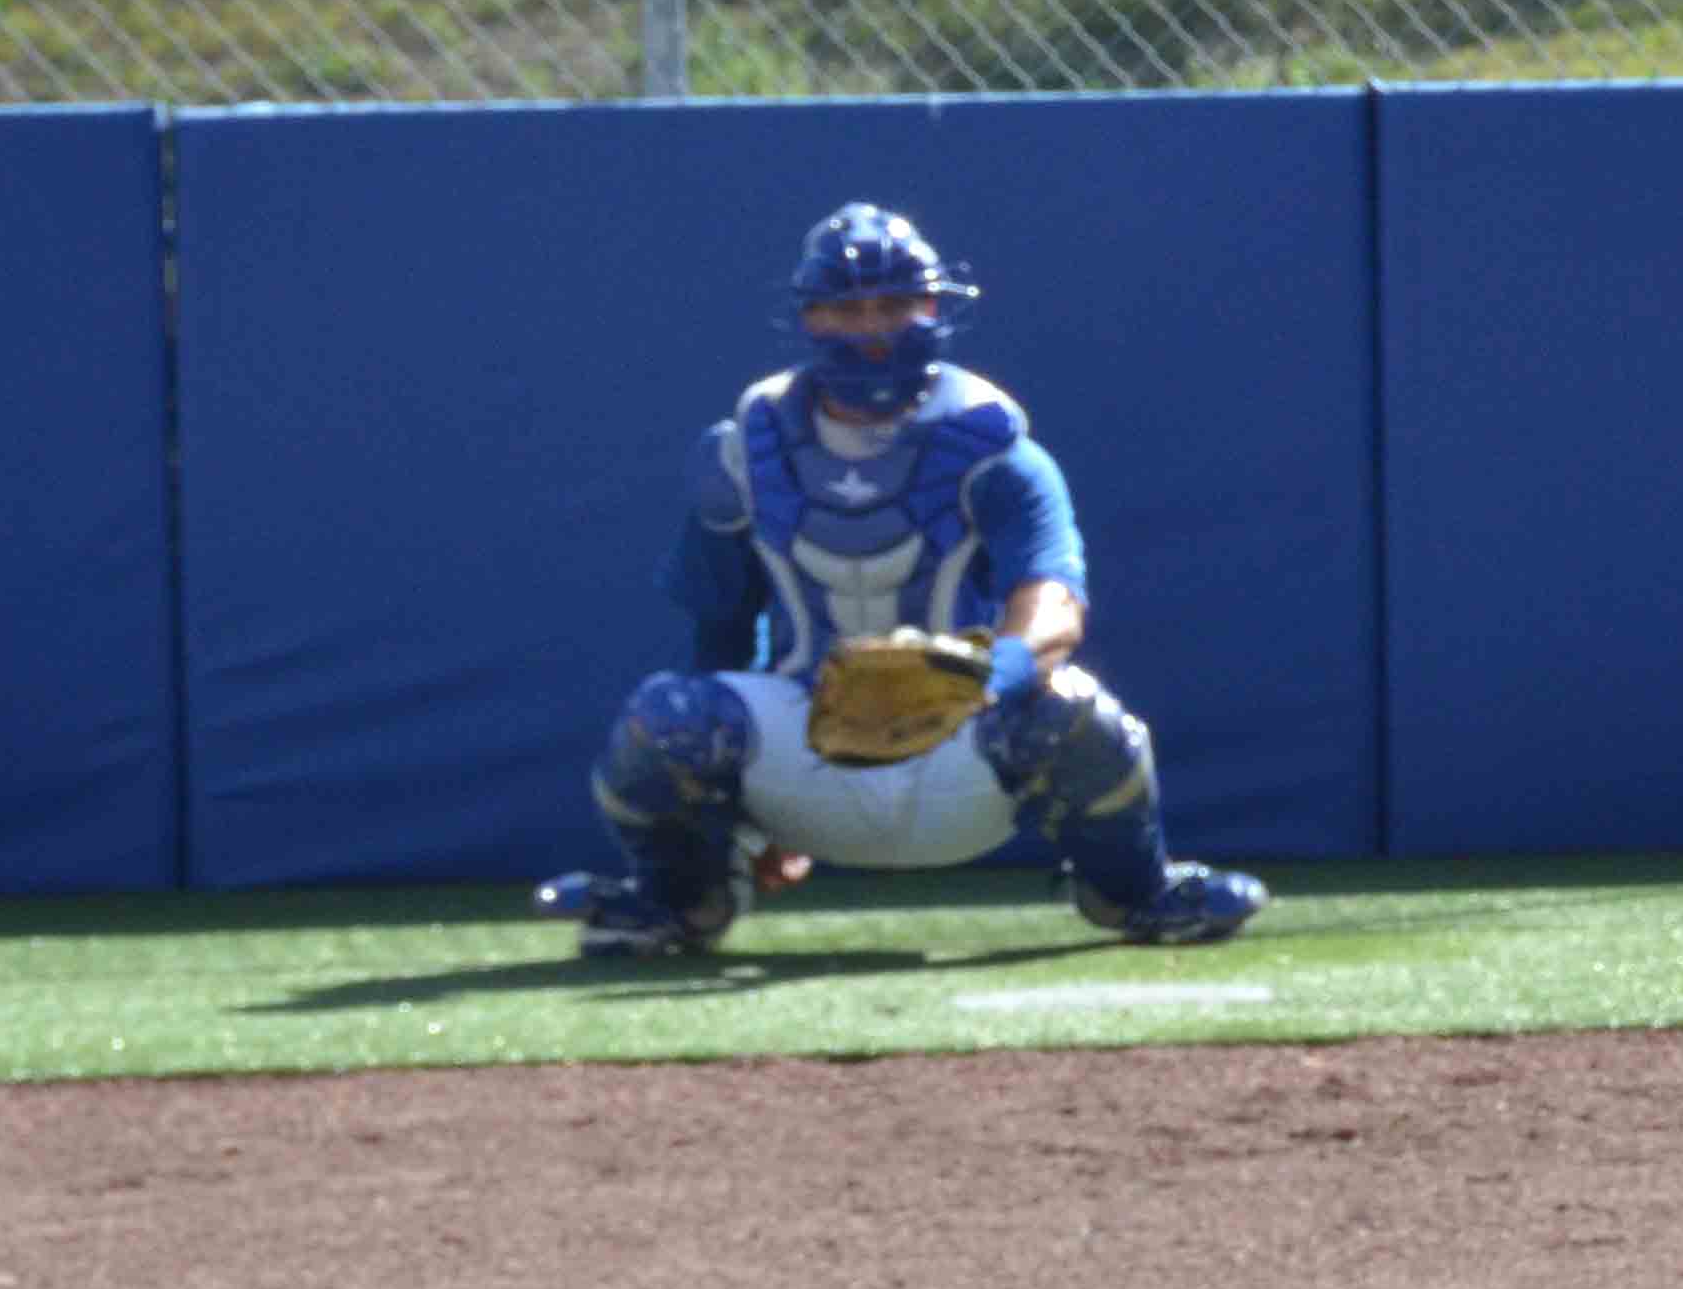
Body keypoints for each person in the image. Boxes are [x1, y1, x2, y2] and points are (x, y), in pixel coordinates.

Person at [534, 203, 1268, 960]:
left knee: (1078, 710)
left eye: (895, 304)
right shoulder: (741, 453)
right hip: (806, 744)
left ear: (935, 309)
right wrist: (743, 815)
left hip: (960, 747)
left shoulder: (994, 445)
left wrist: (988, 675)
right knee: (663, 717)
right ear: (809, 319)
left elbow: (1053, 604)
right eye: (848, 310)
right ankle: (682, 903)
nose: (874, 329)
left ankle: (1135, 894)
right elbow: (718, 628)